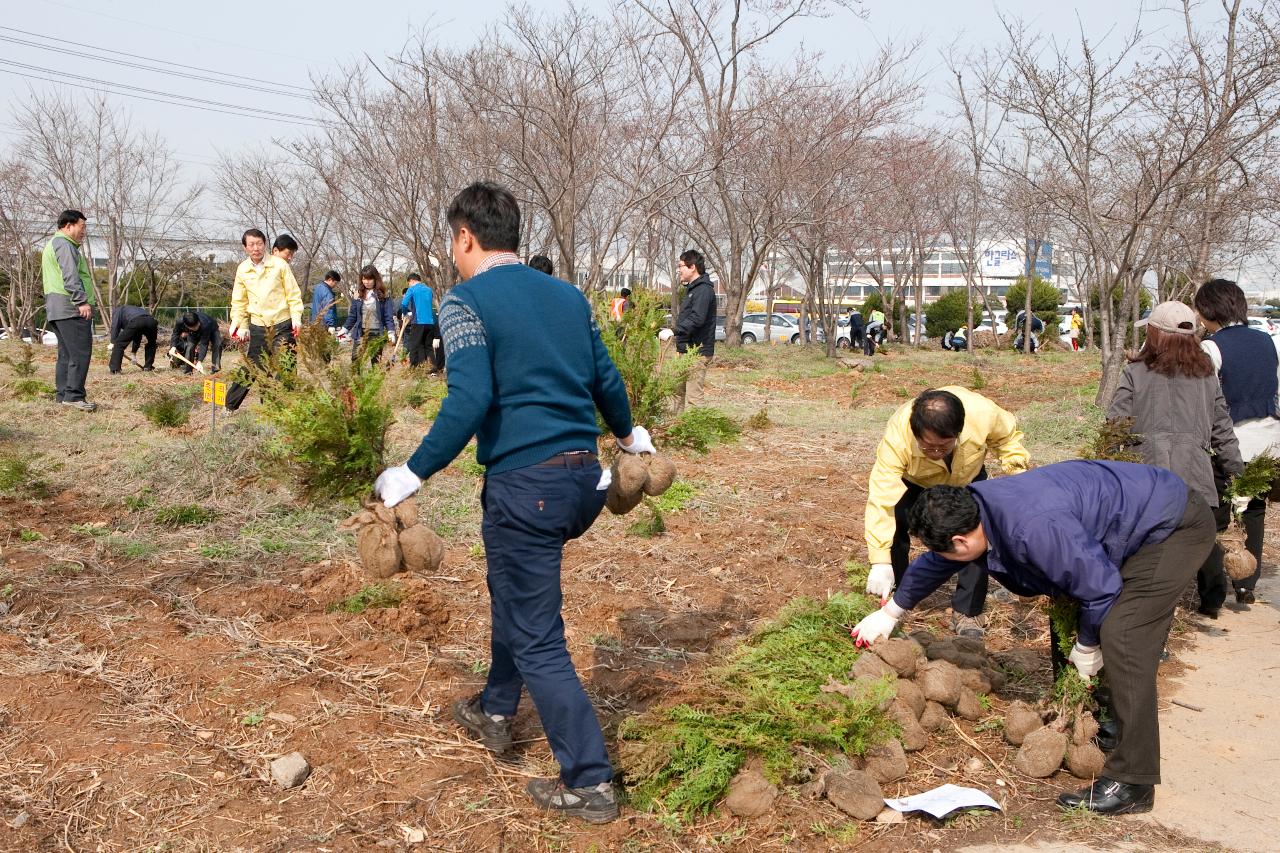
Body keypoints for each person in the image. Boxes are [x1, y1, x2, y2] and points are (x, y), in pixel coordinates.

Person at [372, 182, 649, 824]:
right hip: (581, 483)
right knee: (517, 598)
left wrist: (411, 473)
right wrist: (631, 435)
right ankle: (496, 709)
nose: (452, 251)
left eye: (452, 241)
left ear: (465, 237)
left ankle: (588, 782)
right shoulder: (568, 296)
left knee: (540, 638)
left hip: (528, 489)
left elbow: (468, 401)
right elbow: (605, 379)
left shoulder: (465, 302)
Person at [852, 460, 1216, 815]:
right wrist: (891, 611)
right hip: (1126, 523)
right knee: (1073, 613)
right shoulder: (975, 509)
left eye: (946, 548)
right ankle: (1103, 723)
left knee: (1122, 634)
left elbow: (1102, 589)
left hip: (1170, 527)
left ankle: (1133, 782)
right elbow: (940, 561)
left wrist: (1089, 645)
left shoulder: (1033, 528)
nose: (944, 557)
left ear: (961, 539)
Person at [1106, 301, 1243, 618]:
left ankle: (1150, 609)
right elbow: (1222, 428)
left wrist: (1111, 471)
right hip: (1195, 474)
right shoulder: (1206, 375)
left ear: (1156, 334)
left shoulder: (1136, 372)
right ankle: (1212, 599)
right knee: (1203, 536)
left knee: (1150, 549)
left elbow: (1114, 428)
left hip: (1148, 479)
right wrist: (1237, 472)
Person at [864, 388, 1029, 638]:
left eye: (944, 446)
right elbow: (881, 498)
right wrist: (879, 559)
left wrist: (1018, 473)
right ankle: (895, 597)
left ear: (958, 433)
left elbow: (1007, 439)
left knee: (975, 537)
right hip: (916, 481)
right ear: (915, 433)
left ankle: (968, 611)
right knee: (897, 526)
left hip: (967, 476)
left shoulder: (982, 413)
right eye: (928, 446)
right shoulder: (898, 436)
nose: (936, 452)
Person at [1194, 278, 1280, 606]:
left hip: (1230, 443)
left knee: (1214, 514)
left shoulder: (1211, 348)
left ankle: (1213, 595)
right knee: (1253, 511)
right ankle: (1246, 585)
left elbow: (1205, 400)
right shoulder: (1266, 340)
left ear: (1209, 310)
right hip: (1269, 442)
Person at [224, 228, 303, 411]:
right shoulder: (242, 269)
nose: (256, 248)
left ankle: (280, 406)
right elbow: (239, 301)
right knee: (254, 367)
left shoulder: (279, 265)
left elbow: (293, 294)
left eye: (259, 243)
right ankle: (229, 405)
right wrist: (240, 324)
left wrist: (296, 317)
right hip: (258, 325)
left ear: (265, 244)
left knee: (286, 364)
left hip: (282, 323)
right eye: (251, 244)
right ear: (245, 247)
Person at [42, 209, 98, 411]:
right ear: (68, 226)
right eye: (82, 227)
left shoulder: (54, 244)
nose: (84, 231)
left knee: (66, 354)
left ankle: (63, 395)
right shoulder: (64, 245)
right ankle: (74, 396)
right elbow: (70, 275)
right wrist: (81, 301)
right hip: (70, 307)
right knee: (80, 353)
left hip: (57, 308)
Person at [672, 249, 716, 412]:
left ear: (692, 267)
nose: (679, 270)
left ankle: (700, 435)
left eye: (681, 266)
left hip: (697, 352)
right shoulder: (692, 289)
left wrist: (674, 331)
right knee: (677, 393)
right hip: (685, 350)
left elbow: (697, 319)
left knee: (694, 398)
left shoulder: (703, 290)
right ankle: (676, 430)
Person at [344, 265, 396, 363]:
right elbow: (353, 316)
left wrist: (391, 332)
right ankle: (356, 378)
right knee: (356, 360)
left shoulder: (384, 295)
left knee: (375, 362)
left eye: (369, 279)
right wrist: (345, 328)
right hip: (361, 333)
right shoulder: (358, 294)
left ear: (375, 279)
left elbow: (388, 316)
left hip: (376, 333)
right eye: (364, 279)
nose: (366, 282)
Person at [399, 272, 441, 372]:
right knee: (427, 346)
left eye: (408, 283)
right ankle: (432, 369)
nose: (408, 285)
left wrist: (404, 313)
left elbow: (404, 303)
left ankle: (413, 368)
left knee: (414, 345)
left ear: (412, 281)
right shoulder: (428, 289)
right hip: (430, 322)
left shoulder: (412, 289)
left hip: (418, 321)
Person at [108, 304, 157, 373]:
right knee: (152, 343)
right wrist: (133, 353)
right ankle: (148, 367)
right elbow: (137, 336)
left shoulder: (117, 311)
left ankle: (115, 369)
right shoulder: (133, 310)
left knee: (119, 344)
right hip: (152, 321)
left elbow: (115, 327)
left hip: (137, 321)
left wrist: (112, 342)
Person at [170, 310, 223, 374]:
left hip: (212, 328)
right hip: (192, 333)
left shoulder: (206, 324)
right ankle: (188, 371)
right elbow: (175, 333)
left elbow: (204, 344)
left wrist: (199, 361)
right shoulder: (180, 322)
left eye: (197, 325)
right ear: (186, 326)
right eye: (194, 327)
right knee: (190, 347)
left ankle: (216, 369)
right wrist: (173, 347)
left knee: (217, 344)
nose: (197, 327)